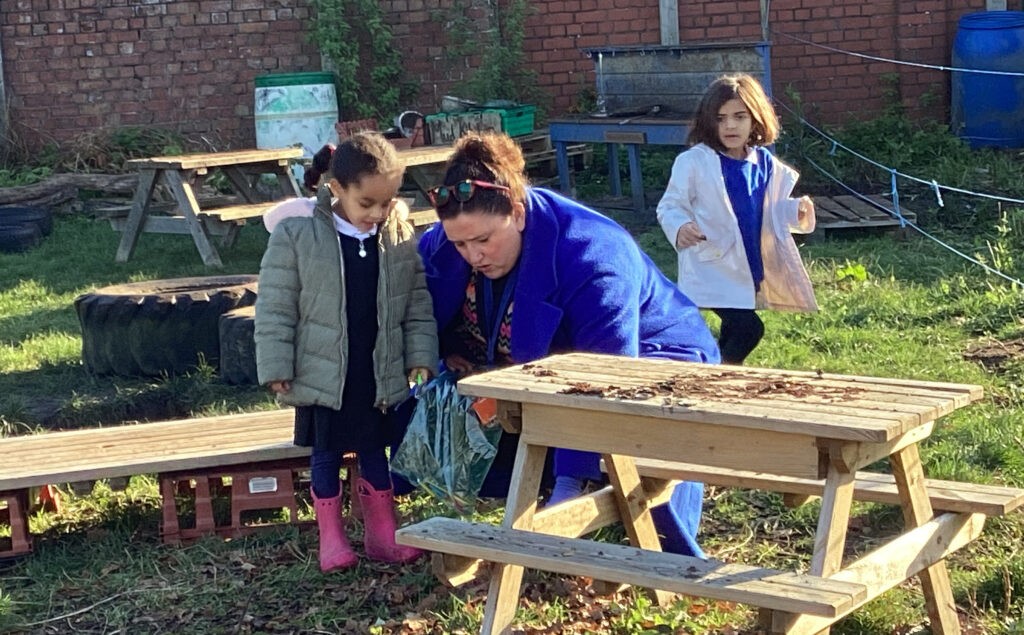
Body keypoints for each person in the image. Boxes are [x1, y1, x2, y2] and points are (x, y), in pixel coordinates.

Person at [417, 131, 721, 557]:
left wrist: (570, 484)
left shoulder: (594, 255)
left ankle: (650, 541)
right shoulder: (445, 243)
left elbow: (603, 377)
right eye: (460, 244)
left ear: (518, 213)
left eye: (484, 241)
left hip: (654, 355)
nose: (472, 255)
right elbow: (418, 312)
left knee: (640, 447)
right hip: (534, 372)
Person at [254, 132, 438, 572]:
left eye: (387, 203)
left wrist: (420, 354)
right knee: (326, 454)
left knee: (376, 452)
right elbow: (276, 305)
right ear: (336, 189)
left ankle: (382, 534)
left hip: (376, 370)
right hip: (322, 374)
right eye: (367, 203)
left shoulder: (396, 237)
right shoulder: (297, 236)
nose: (377, 214)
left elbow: (416, 302)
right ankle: (331, 538)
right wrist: (277, 363)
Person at [656, 73, 818, 365]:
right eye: (720, 118)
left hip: (749, 262)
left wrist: (795, 211)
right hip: (713, 265)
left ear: (755, 119)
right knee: (749, 328)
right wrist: (680, 226)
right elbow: (670, 205)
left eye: (739, 116)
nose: (730, 125)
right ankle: (720, 374)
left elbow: (767, 210)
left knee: (734, 329)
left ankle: (713, 372)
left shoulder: (763, 163)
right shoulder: (694, 162)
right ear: (708, 122)